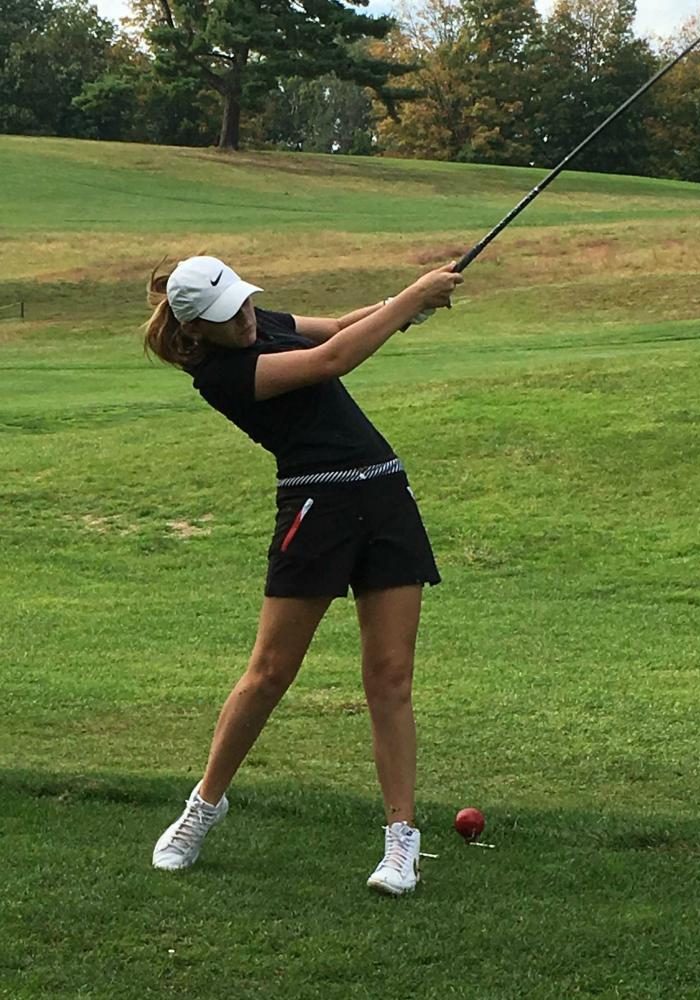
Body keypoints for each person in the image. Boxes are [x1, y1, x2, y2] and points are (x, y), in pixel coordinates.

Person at [143, 254, 464, 896]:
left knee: (391, 676)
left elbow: (342, 326)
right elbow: (332, 360)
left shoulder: (262, 321)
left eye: (240, 304)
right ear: (195, 330)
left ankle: (401, 841)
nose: (241, 320)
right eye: (223, 318)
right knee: (269, 673)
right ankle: (205, 805)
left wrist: (410, 305)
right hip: (314, 507)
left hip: (383, 493)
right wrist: (412, 295)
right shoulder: (221, 374)